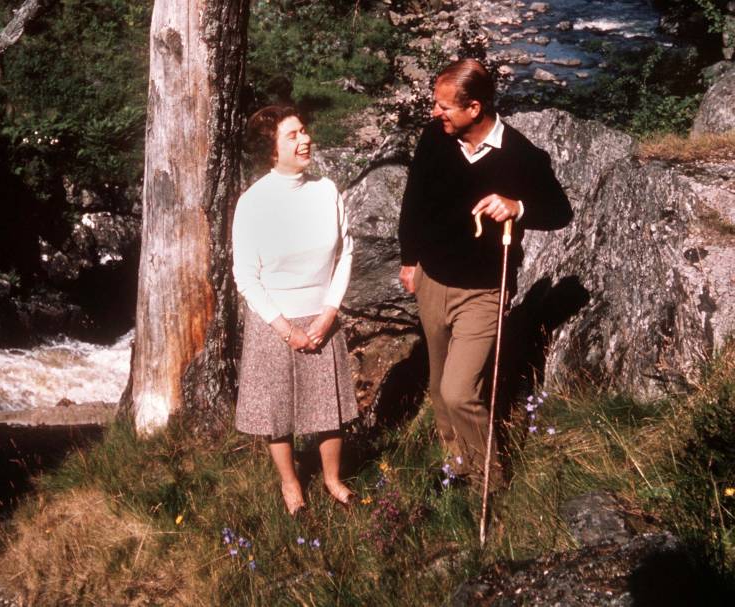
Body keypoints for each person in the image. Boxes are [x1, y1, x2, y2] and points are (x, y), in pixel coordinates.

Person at [398, 59, 572, 489]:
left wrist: (518, 207)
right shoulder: (435, 139)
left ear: (474, 108)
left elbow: (560, 211)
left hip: (484, 290)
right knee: (439, 389)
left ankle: (488, 480)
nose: (436, 113)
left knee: (460, 391)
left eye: (444, 107)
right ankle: (456, 463)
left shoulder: (522, 156)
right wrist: (409, 260)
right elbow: (413, 202)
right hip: (432, 281)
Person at [232, 105, 357, 515]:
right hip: (274, 322)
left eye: (304, 130)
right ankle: (290, 485)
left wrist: (328, 313)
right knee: (277, 412)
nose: (305, 140)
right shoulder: (253, 203)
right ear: (271, 150)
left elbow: (345, 254)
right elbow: (247, 277)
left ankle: (333, 480)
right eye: (292, 135)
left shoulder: (326, 191)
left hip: (322, 316)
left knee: (329, 409)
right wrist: (286, 329)